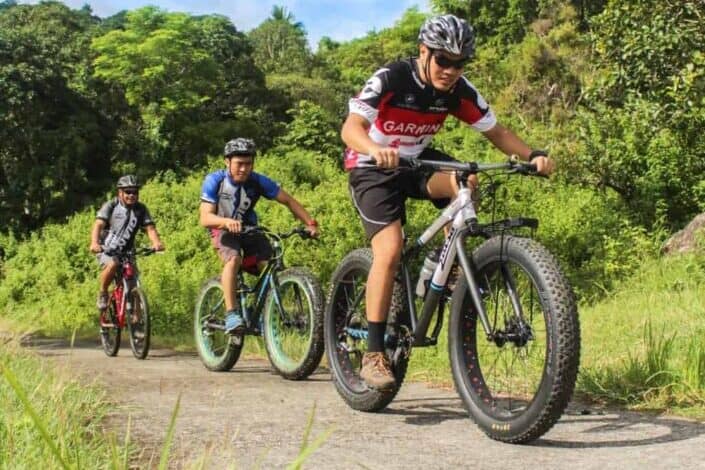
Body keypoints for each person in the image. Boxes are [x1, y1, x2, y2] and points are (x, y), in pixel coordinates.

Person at [340, 14, 555, 390]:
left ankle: (447, 262)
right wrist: (376, 148)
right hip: (372, 166)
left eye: (460, 63)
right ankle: (373, 353)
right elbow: (351, 128)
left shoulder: (459, 91)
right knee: (389, 251)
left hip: (417, 161)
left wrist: (532, 155)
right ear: (424, 52)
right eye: (443, 60)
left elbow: (497, 132)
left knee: (464, 180)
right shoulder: (391, 77)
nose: (451, 70)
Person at [199, 137, 319, 334]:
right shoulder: (215, 181)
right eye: (239, 163)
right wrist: (226, 222)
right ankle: (231, 314)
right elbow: (205, 218)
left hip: (249, 228)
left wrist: (310, 223)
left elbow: (288, 200)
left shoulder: (257, 181)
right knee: (234, 259)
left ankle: (265, 310)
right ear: (227, 162)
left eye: (249, 164)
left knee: (269, 263)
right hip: (221, 227)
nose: (244, 169)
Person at [90, 175, 164, 311]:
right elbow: (98, 224)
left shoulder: (141, 209)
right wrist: (94, 243)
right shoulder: (111, 205)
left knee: (133, 282)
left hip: (128, 251)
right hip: (107, 248)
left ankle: (137, 323)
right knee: (113, 264)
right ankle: (103, 292)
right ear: (120, 192)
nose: (132, 195)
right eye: (128, 192)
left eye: (135, 192)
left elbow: (150, 228)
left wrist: (156, 243)